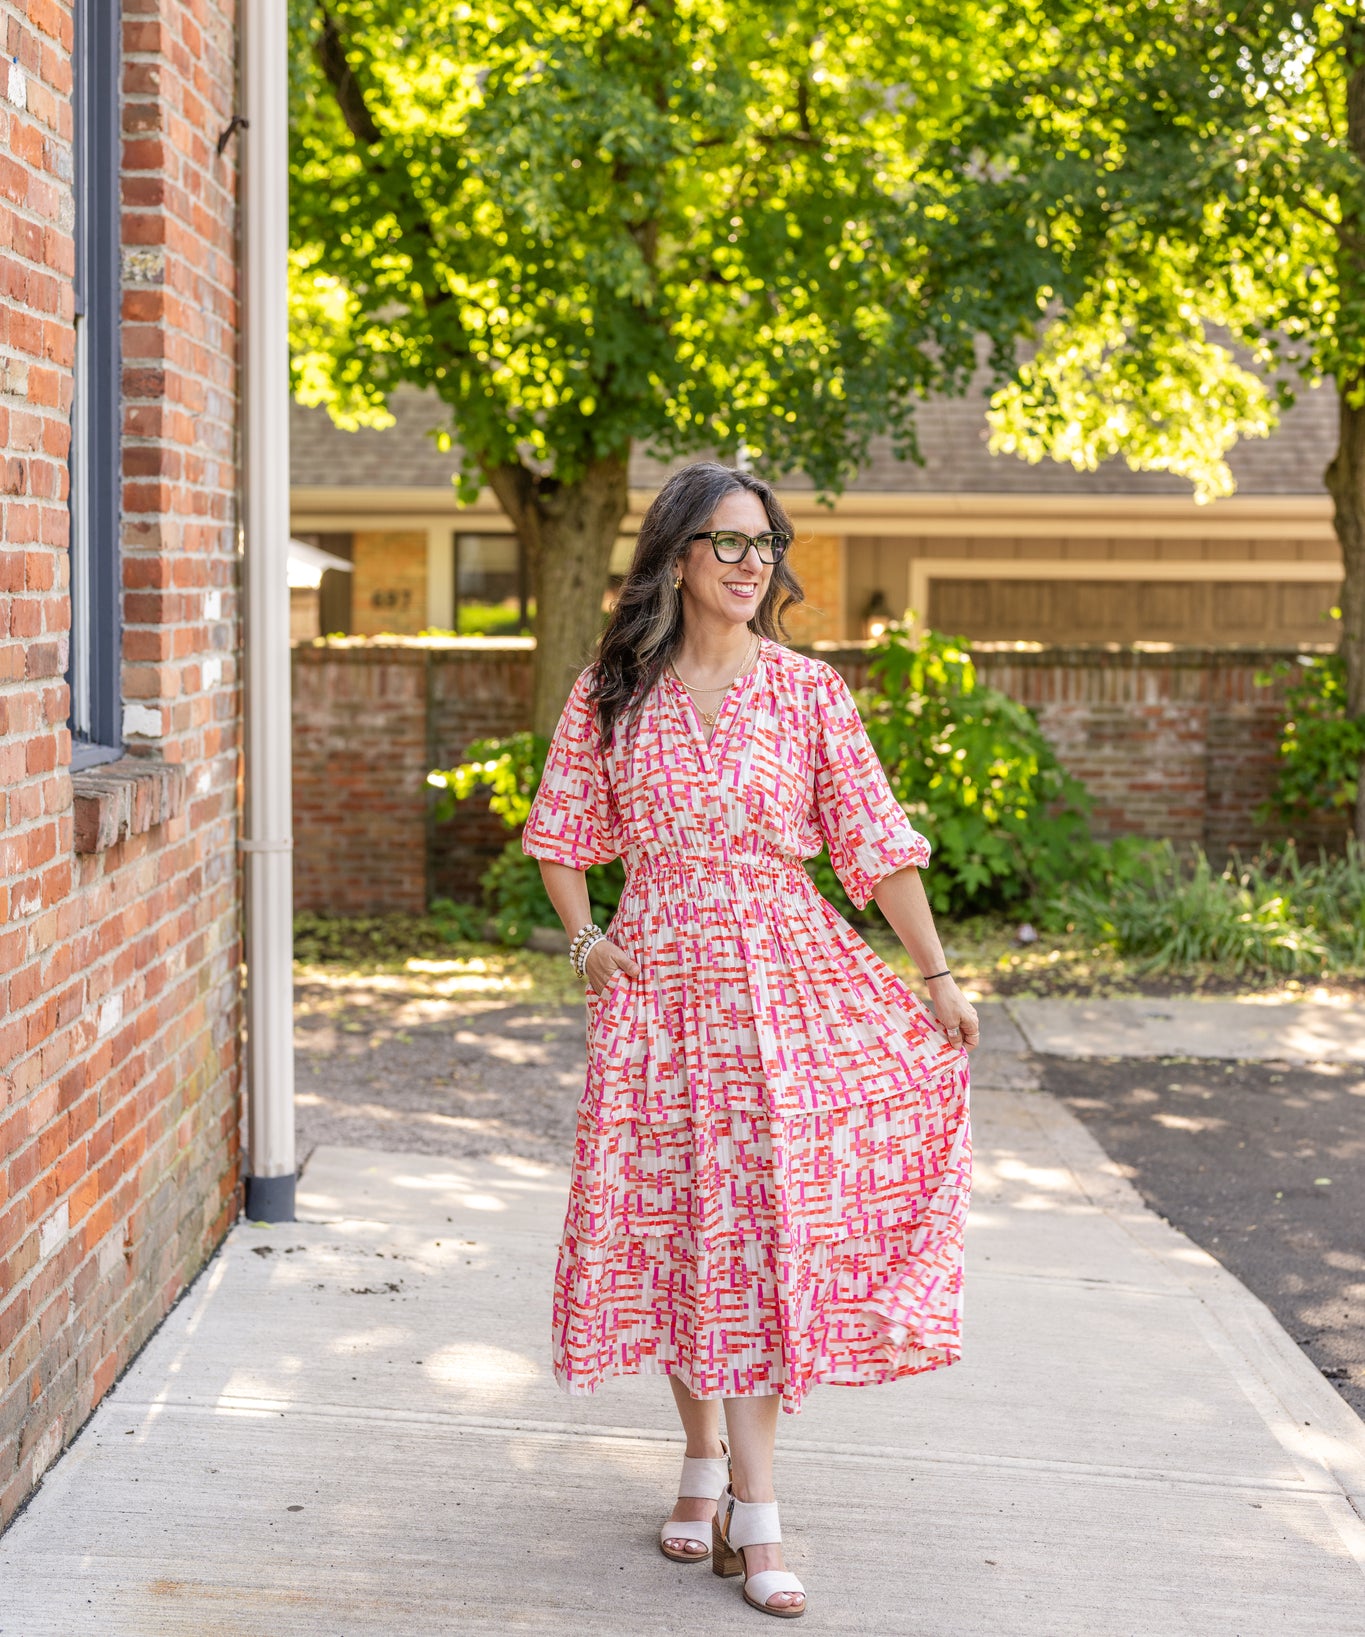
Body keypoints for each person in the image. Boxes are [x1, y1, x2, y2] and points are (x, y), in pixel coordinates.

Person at [522, 461, 979, 1620]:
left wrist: (934, 975)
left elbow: (875, 841)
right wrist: (587, 945)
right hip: (661, 990)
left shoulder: (810, 694)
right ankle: (699, 1466)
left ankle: (759, 1510)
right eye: (726, 542)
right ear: (676, 553)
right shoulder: (613, 689)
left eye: (764, 543)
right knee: (681, 1230)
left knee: (761, 1233)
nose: (749, 562)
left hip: (783, 983)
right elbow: (561, 831)